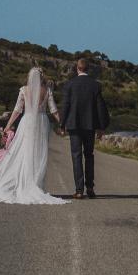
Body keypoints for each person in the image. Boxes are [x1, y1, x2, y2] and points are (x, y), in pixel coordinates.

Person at [0, 67, 67, 205]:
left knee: (23, 151)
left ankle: (23, 181)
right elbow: (54, 109)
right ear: (41, 77)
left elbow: (17, 110)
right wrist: (61, 123)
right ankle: (35, 184)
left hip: (28, 121)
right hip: (42, 122)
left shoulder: (24, 90)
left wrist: (8, 126)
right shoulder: (47, 90)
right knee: (38, 153)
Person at [59, 58, 111, 199]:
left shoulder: (69, 84)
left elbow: (66, 106)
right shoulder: (95, 85)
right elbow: (100, 107)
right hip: (90, 126)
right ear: (88, 69)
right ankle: (90, 188)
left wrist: (62, 124)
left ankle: (79, 190)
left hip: (74, 125)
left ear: (77, 68)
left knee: (76, 156)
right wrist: (101, 127)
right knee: (89, 156)